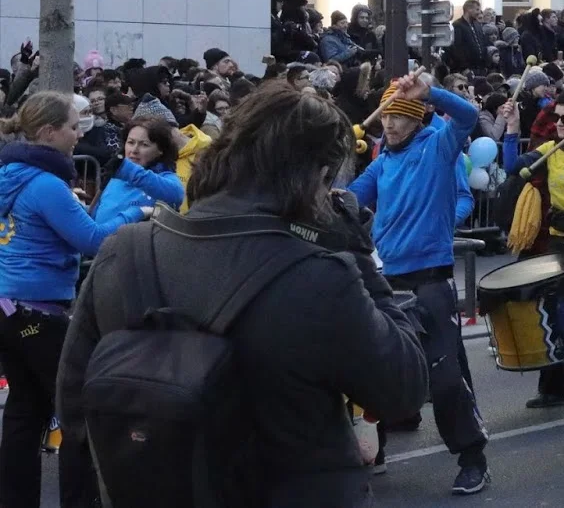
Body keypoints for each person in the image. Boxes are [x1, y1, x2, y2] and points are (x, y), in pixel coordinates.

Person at [58, 81, 429, 508]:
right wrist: (358, 252)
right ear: (319, 179)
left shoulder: (123, 250)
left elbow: (73, 399)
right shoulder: (320, 277)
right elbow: (402, 389)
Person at [0, 93, 150, 507]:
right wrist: (137, 212)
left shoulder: (10, 174)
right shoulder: (47, 184)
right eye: (71, 126)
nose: (77, 134)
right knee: (78, 414)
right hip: (39, 312)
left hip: (7, 307)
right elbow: (93, 240)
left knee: (23, 413)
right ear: (48, 132)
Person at [347, 72, 491, 495]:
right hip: (383, 281)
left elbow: (468, 116)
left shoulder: (438, 147)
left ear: (415, 120)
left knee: (446, 377)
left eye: (398, 116)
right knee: (373, 373)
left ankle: (472, 459)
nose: (388, 124)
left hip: (429, 280)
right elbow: (350, 200)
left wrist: (429, 92)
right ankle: (376, 449)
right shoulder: (381, 161)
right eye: (386, 116)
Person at [514, 83, 564, 409]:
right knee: (550, 311)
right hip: (558, 234)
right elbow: (514, 166)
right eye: (557, 119)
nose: (560, 125)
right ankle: (553, 388)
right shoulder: (551, 147)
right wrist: (509, 131)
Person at [91, 118, 186, 229]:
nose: (134, 150)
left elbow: (176, 195)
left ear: (161, 150)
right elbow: (95, 217)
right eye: (130, 142)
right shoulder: (114, 179)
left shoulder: (165, 178)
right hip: (103, 244)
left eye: (144, 145)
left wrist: (131, 171)